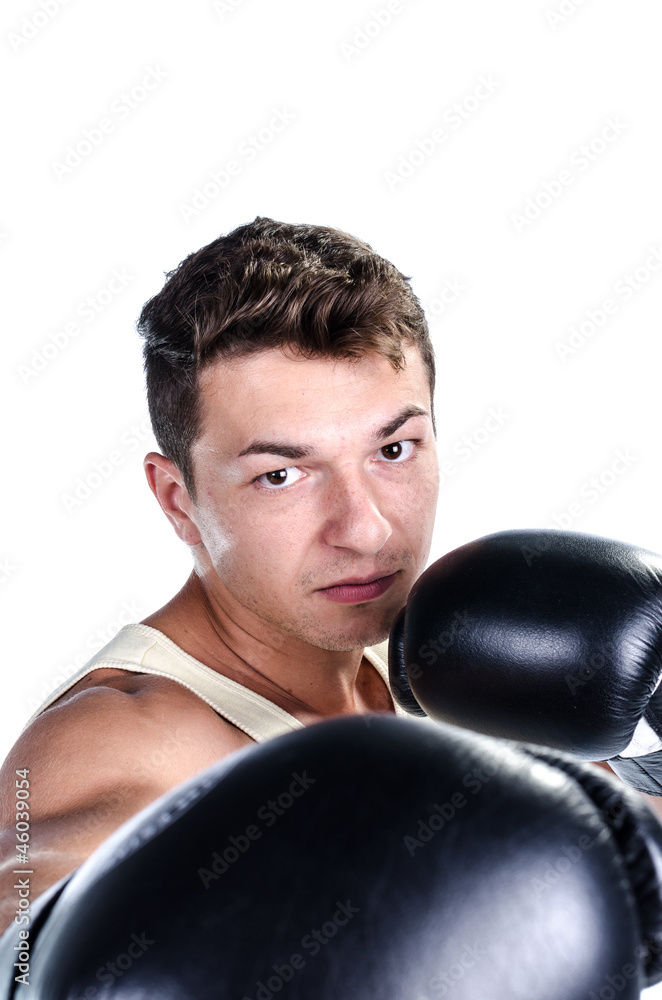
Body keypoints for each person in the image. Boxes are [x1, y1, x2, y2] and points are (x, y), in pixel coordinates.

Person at [0, 216, 441, 934]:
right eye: (281, 475)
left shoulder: (452, 662)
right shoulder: (126, 740)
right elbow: (28, 938)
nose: (366, 530)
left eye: (393, 450)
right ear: (179, 501)